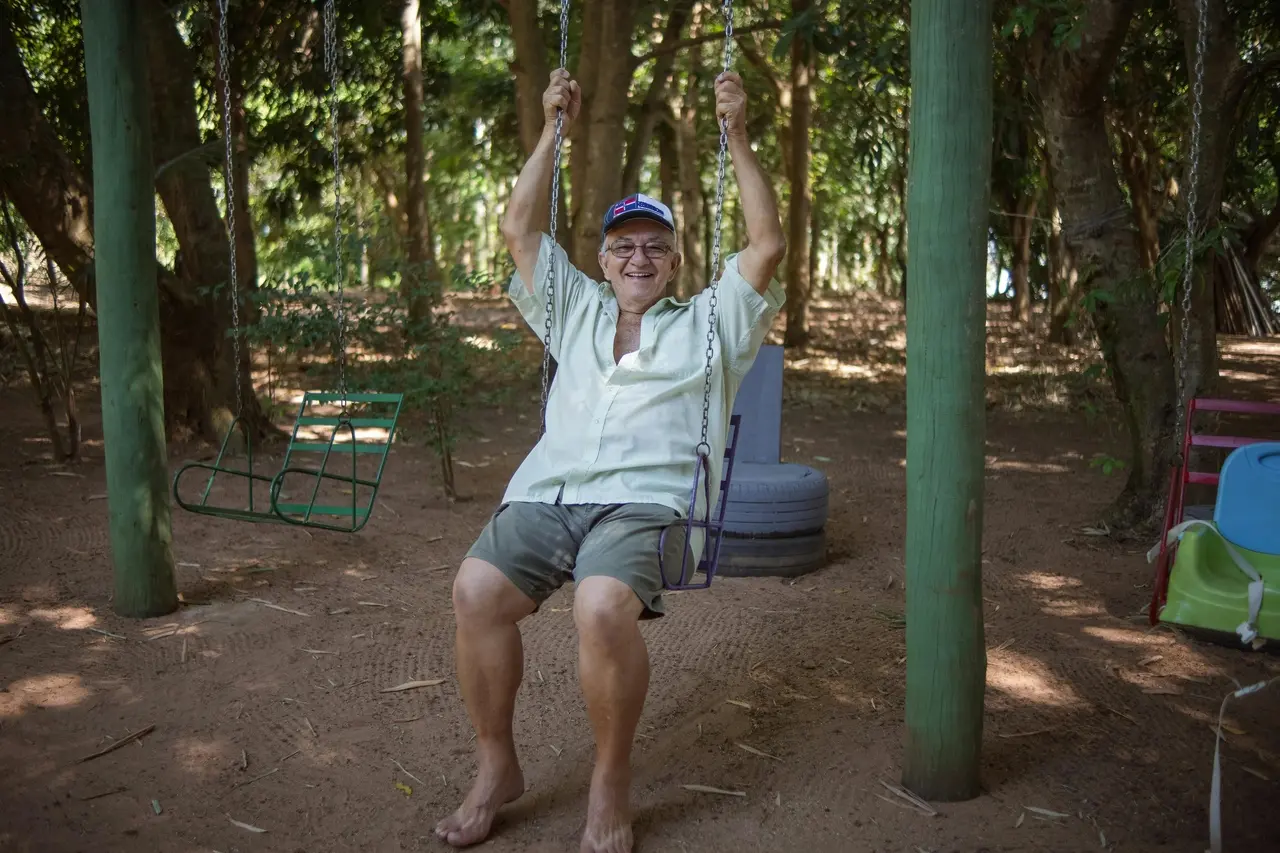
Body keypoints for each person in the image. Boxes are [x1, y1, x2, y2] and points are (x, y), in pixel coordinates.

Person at [435, 67, 786, 853]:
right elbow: (520, 229)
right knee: (476, 589)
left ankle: (610, 778)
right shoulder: (577, 314)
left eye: (654, 247)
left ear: (675, 262)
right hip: (551, 493)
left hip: (647, 505)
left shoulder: (710, 324)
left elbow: (766, 242)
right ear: (601, 259)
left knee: (599, 606)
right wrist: (554, 129)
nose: (637, 258)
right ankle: (497, 766)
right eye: (623, 245)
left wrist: (737, 135)